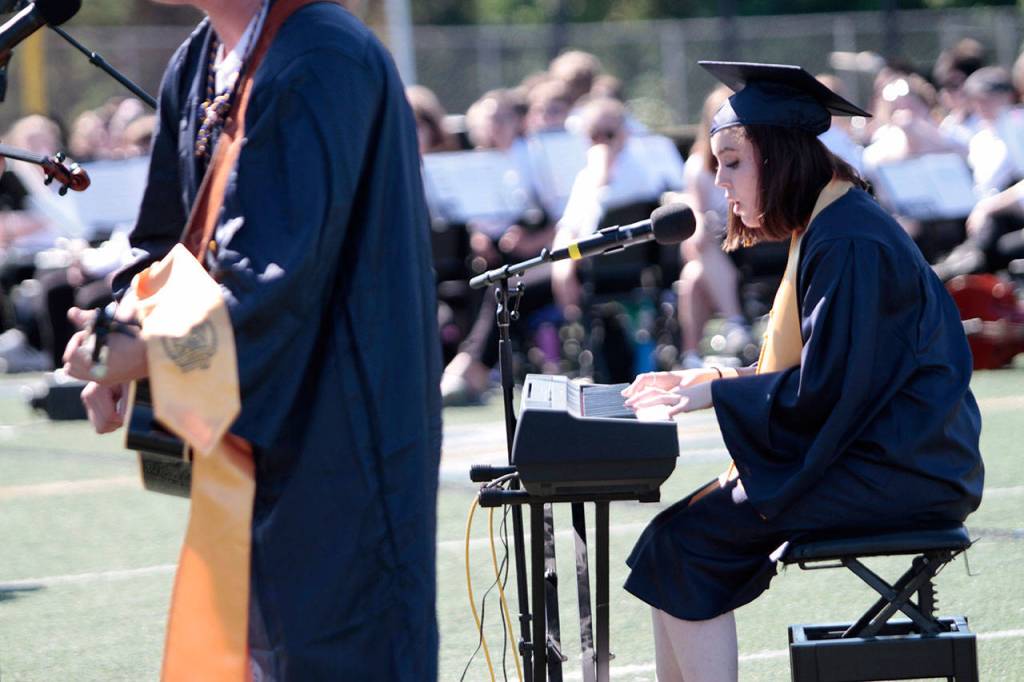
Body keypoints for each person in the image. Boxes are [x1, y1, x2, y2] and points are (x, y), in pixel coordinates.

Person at [62, 1, 442, 680]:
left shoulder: (320, 54)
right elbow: (165, 243)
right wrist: (121, 328)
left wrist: (138, 351)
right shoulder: (204, 57)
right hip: (243, 431)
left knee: (337, 651)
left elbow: (273, 281)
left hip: (338, 426)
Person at [620, 62, 983, 681]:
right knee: (674, 545)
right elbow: (833, 374)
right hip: (886, 452)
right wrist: (725, 384)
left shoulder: (848, 241)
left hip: (902, 467)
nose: (720, 183)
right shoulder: (833, 222)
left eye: (733, 162)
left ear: (782, 155)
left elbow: (830, 390)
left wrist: (719, 394)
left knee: (684, 544)